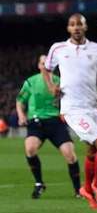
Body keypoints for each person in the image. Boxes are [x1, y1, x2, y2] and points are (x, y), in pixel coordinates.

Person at [41, 13, 97, 209]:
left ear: (85, 27)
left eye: (79, 24)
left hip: (94, 106)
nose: (76, 27)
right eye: (72, 24)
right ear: (68, 28)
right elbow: (46, 69)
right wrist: (50, 86)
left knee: (92, 149)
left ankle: (86, 189)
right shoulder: (58, 48)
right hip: (72, 109)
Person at [16, 55, 81, 199]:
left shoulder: (60, 81)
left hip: (55, 122)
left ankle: (78, 190)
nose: (45, 65)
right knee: (30, 149)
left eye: (48, 63)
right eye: (42, 63)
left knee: (70, 154)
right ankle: (39, 183)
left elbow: (70, 100)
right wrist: (21, 115)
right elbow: (20, 100)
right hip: (36, 123)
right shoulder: (31, 82)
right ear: (39, 66)